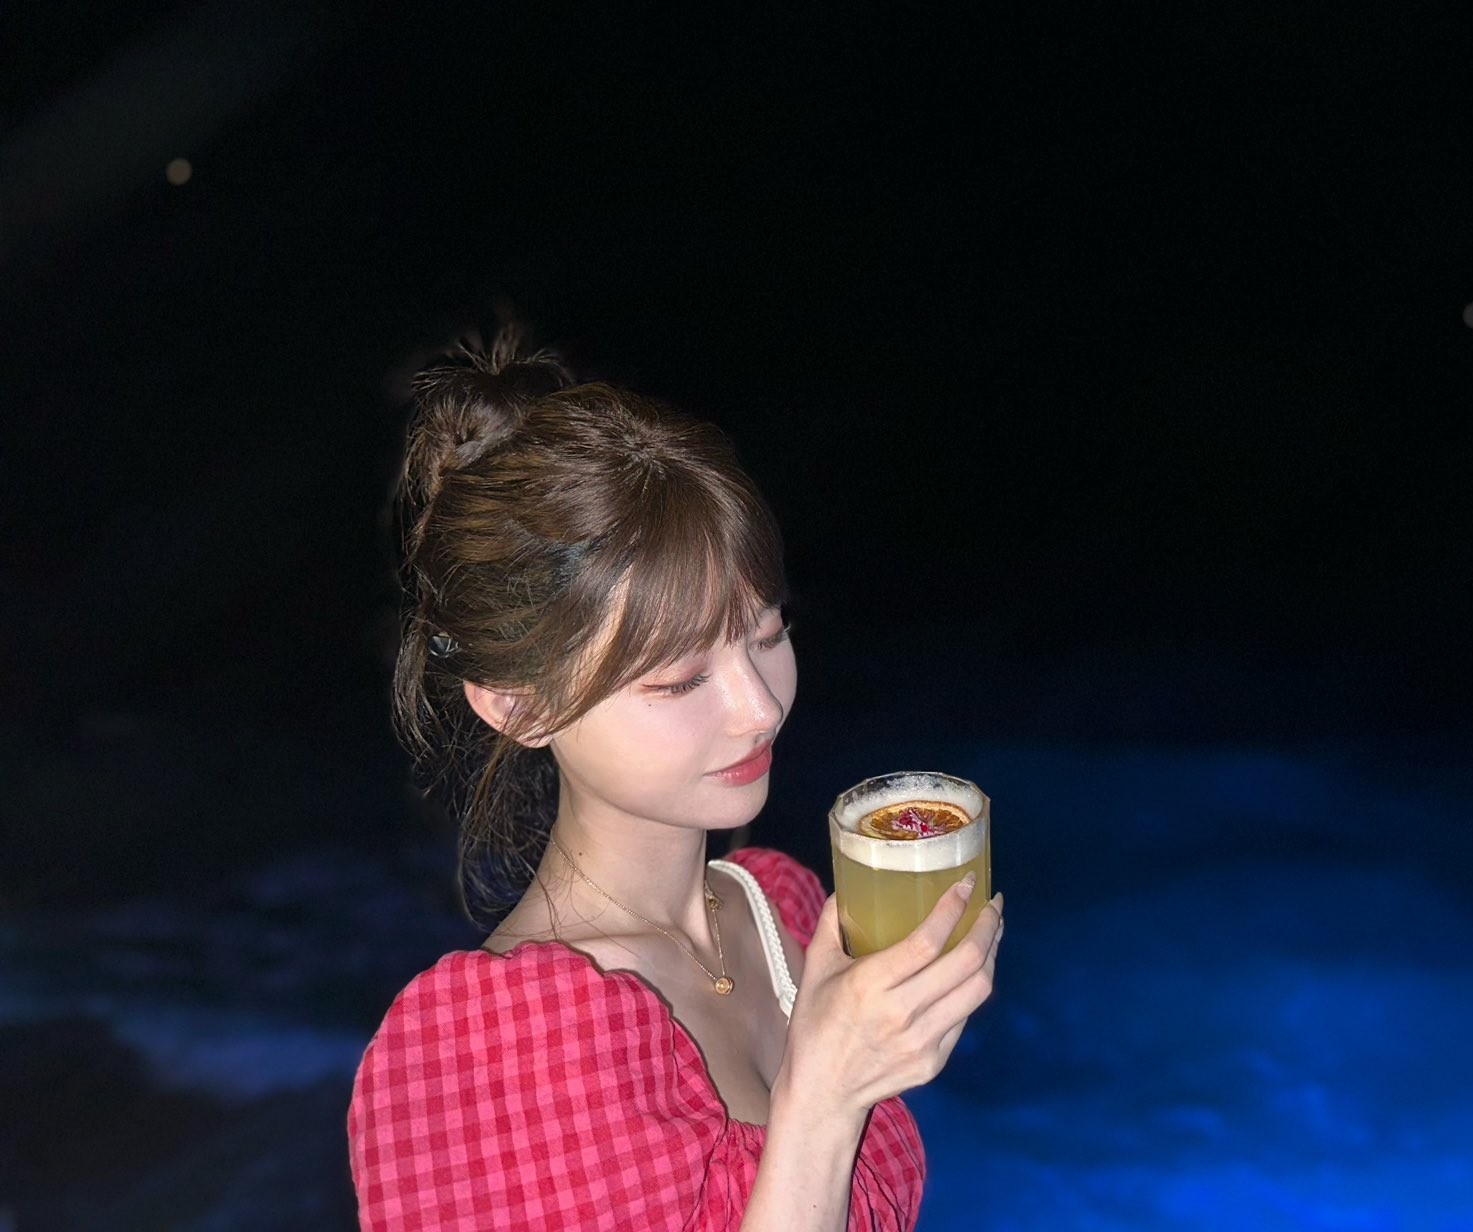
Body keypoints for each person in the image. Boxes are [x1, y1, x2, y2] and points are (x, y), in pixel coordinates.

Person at [348, 330, 1003, 1230]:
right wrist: (825, 1094)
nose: (758, 709)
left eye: (767, 635)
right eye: (680, 680)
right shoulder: (475, 1047)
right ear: (518, 706)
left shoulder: (788, 911)